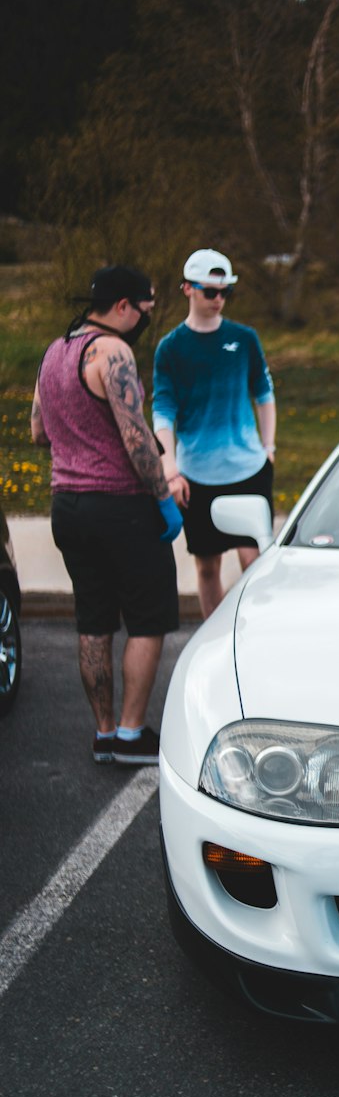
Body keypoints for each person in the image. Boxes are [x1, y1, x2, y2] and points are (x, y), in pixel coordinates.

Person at [30, 264, 182, 766]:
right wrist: (163, 498)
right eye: (145, 309)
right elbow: (137, 439)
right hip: (120, 506)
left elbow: (38, 430)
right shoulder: (112, 352)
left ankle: (103, 734)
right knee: (148, 619)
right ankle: (132, 735)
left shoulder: (56, 352)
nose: (145, 318)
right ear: (123, 306)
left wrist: (78, 435)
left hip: (67, 506)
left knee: (93, 622)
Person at [152, 248, 277, 620]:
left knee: (253, 561)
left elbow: (265, 394)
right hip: (197, 476)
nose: (219, 299)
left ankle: (253, 630)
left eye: (226, 292)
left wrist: (269, 447)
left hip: (249, 469)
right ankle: (216, 635)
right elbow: (163, 411)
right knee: (207, 566)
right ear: (187, 289)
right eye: (211, 291)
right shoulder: (171, 348)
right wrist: (170, 468)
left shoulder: (244, 338)